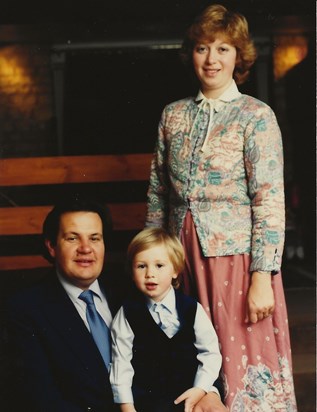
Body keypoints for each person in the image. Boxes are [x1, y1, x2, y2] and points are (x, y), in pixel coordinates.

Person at [145, 4, 297, 410]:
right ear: (190, 54)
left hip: (237, 265)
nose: (211, 59)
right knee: (190, 361)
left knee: (240, 360)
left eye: (223, 49)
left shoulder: (256, 117)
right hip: (181, 260)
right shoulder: (173, 116)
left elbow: (269, 200)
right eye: (202, 48)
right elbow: (159, 192)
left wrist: (263, 275)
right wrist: (155, 257)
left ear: (239, 57)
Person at [5, 196, 121, 411]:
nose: (86, 248)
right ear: (51, 246)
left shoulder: (130, 292)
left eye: (95, 238)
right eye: (72, 238)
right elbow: (42, 400)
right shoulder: (24, 310)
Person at [110, 227, 226, 412]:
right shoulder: (127, 313)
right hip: (149, 401)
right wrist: (127, 407)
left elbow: (210, 353)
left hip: (190, 395)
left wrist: (200, 388)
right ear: (132, 272)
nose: (150, 274)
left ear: (175, 270)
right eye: (141, 266)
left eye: (159, 265)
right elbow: (120, 363)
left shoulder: (191, 309)